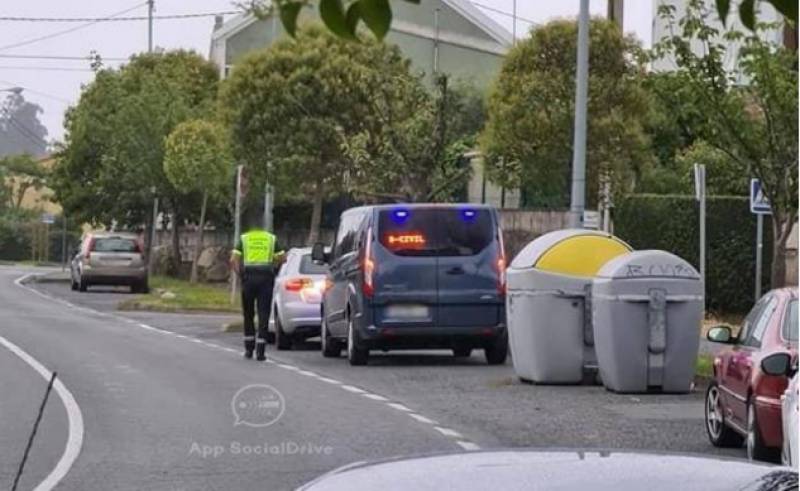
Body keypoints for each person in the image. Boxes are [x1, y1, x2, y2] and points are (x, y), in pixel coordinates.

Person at [230, 215, 284, 361]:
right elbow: (282, 257)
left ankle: (249, 349)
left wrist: (241, 275)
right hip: (266, 277)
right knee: (264, 314)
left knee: (248, 313)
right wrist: (275, 270)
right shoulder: (271, 238)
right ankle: (260, 351)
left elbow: (234, 260)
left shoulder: (244, 238)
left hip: (249, 277)